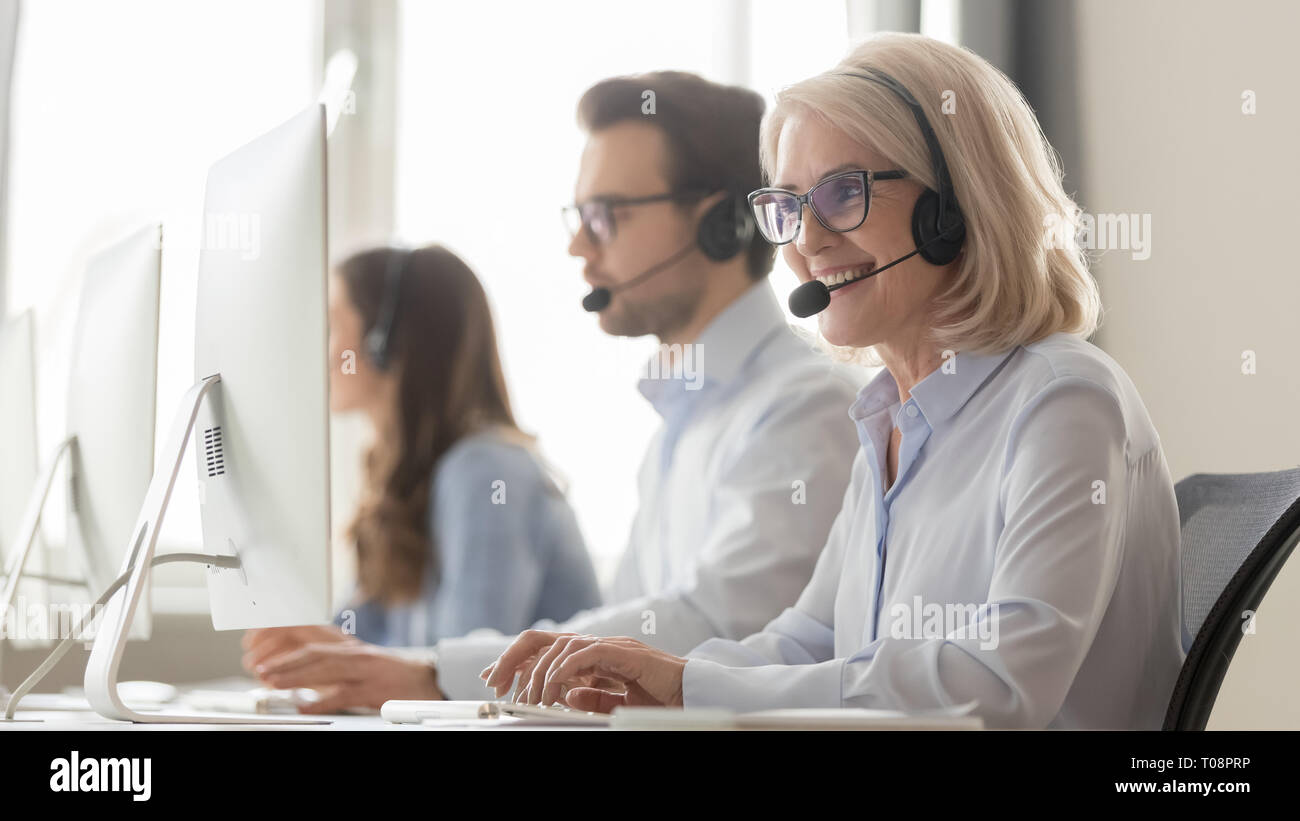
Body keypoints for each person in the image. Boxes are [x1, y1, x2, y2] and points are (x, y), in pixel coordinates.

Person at [483, 33, 1186, 730]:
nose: (807, 240)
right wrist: (651, 679)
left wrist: (693, 687)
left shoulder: (1063, 400)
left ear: (954, 205)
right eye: (788, 205)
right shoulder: (890, 417)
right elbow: (807, 641)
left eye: (843, 192)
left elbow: (998, 685)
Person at [241, 72, 861, 712]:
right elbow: (626, 627)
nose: (576, 245)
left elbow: (714, 624)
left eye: (605, 216)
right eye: (579, 216)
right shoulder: (681, 426)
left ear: (722, 226)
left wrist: (434, 672)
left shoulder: (804, 407)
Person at [241, 245, 602, 702]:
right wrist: (316, 654)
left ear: (385, 341)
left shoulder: (487, 471)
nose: (316, 344)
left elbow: (471, 677)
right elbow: (375, 651)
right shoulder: (405, 479)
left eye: (332, 323)